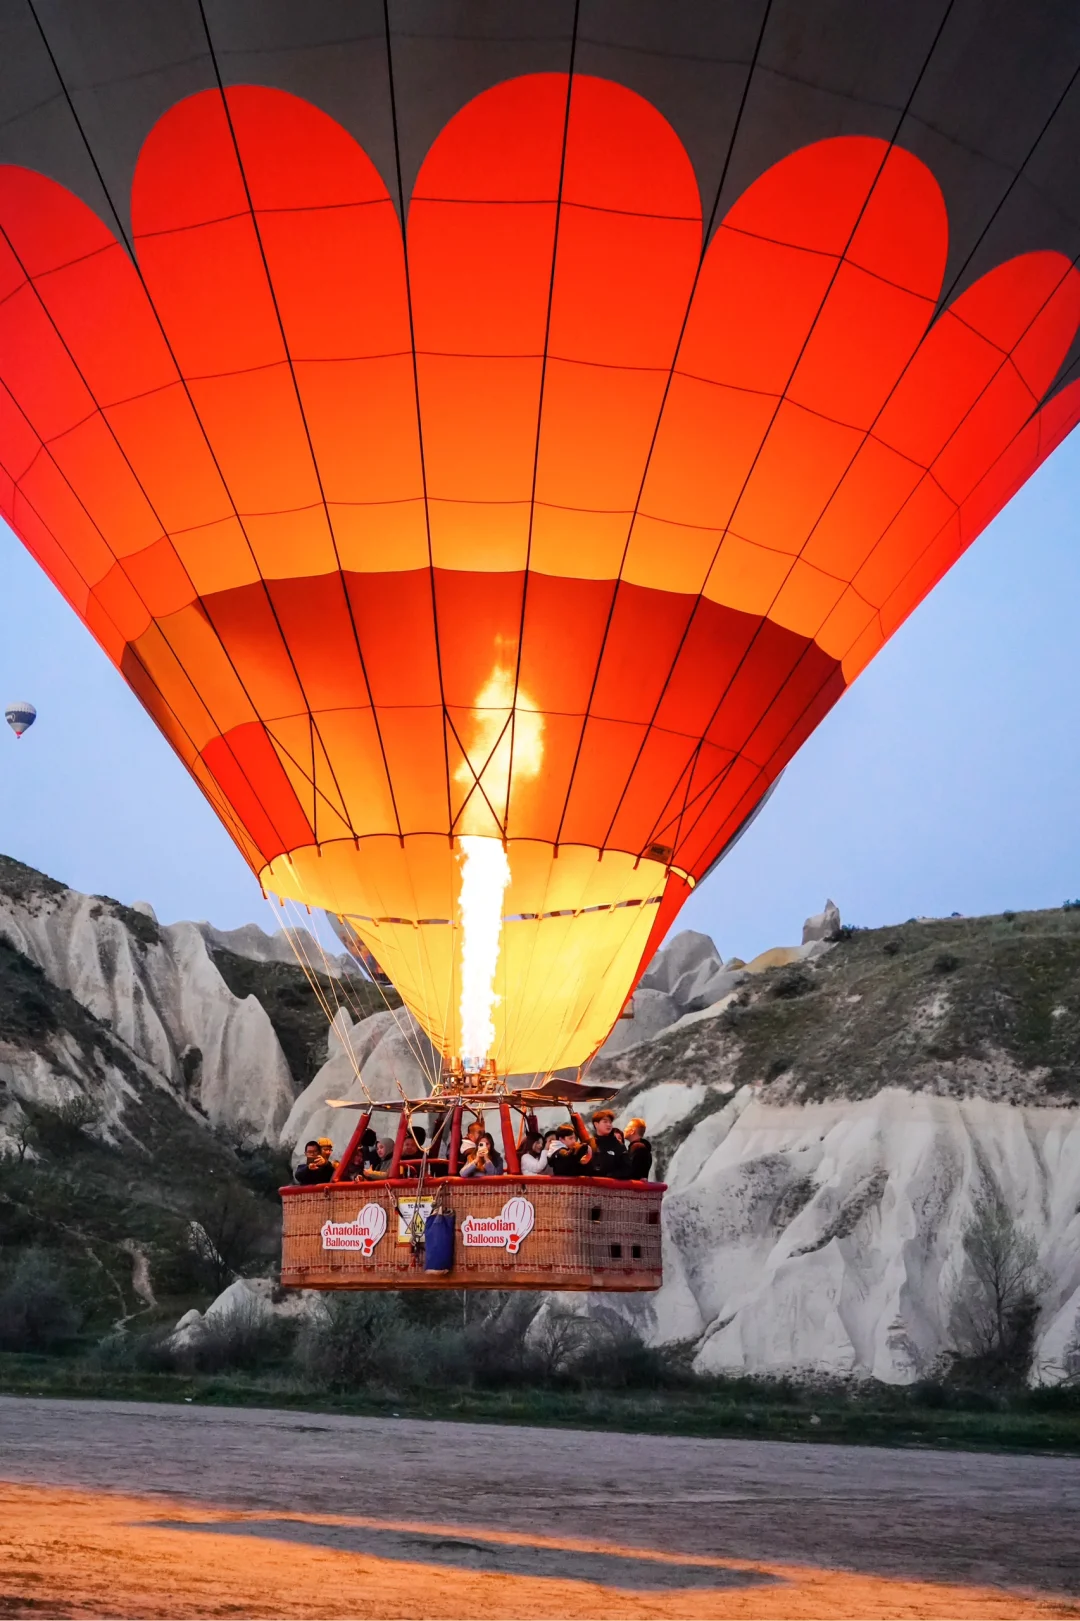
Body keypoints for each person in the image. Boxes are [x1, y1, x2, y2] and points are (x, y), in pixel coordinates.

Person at [585, 1108, 629, 1179]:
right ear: (596, 1124)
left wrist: (611, 1176)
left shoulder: (618, 1145)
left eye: (610, 1122)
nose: (609, 1125)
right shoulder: (588, 1143)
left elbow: (627, 1169)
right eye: (605, 1122)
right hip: (591, 1186)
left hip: (612, 1187)